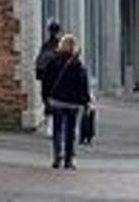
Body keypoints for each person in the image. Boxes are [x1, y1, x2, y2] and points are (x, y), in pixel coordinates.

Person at [44, 34, 92, 170]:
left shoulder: (53, 61)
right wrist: (86, 101)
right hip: (72, 102)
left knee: (57, 129)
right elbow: (83, 84)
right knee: (70, 131)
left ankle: (57, 156)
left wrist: (46, 97)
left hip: (57, 100)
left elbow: (47, 81)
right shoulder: (77, 64)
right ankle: (69, 159)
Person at [33, 21, 63, 116]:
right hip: (57, 85)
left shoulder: (46, 46)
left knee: (50, 110)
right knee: (58, 113)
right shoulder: (60, 47)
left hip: (47, 84)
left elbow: (39, 64)